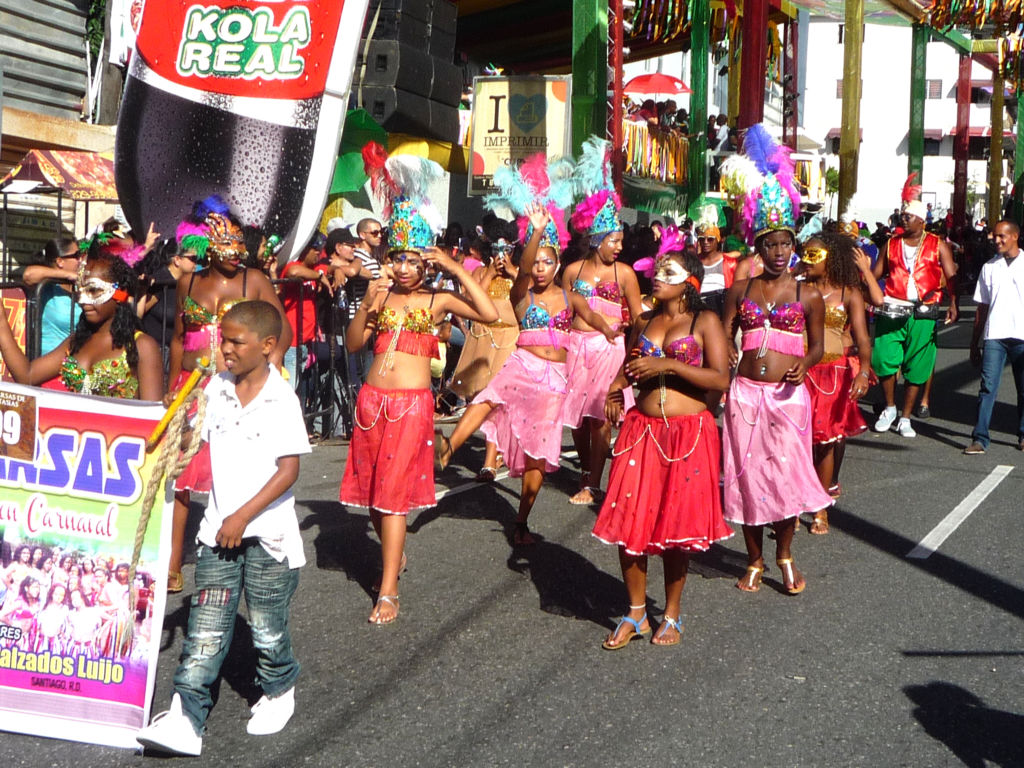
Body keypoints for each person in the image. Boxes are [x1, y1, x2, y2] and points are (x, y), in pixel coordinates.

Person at [136, 300, 311, 755]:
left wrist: (243, 516)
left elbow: (288, 472)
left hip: (267, 536)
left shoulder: (281, 398)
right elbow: (193, 440)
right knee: (207, 626)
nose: (226, 349)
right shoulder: (216, 388)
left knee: (267, 626)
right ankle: (185, 714)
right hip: (217, 532)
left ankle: (278, 688)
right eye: (223, 340)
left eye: (236, 341)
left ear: (267, 346)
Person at [340, 145, 498, 625]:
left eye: (413, 260)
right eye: (398, 259)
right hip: (370, 403)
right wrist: (369, 297)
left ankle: (388, 588)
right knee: (372, 496)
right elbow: (352, 346)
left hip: (411, 408)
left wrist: (454, 272)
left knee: (390, 497)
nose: (405, 267)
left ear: (425, 263)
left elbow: (489, 314)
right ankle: (394, 554)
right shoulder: (380, 293)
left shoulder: (437, 301)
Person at [437, 203, 615, 545]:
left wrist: (608, 331)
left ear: (558, 264)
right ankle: (449, 448)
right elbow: (521, 271)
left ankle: (521, 521)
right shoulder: (522, 295)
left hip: (553, 380)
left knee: (537, 454)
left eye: (547, 262)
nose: (540, 268)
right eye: (535, 263)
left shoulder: (571, 297)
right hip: (522, 365)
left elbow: (592, 318)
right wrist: (534, 231)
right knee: (489, 397)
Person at [593, 247, 732, 650]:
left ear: (689, 282)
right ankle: (635, 612)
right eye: (657, 269)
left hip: (689, 434)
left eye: (668, 271)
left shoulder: (704, 320)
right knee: (630, 522)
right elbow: (630, 367)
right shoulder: (644, 321)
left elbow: (720, 379)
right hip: (642, 431)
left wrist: (668, 366)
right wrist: (616, 391)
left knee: (676, 528)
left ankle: (671, 613)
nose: (657, 276)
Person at [719, 124, 833, 595]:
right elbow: (722, 337)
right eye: (772, 244)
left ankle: (784, 556)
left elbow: (819, 345)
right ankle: (754, 558)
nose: (781, 252)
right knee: (745, 476)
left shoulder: (808, 294)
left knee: (784, 477)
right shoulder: (739, 290)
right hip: (744, 395)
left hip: (788, 398)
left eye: (787, 243)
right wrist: (726, 358)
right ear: (758, 245)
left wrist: (805, 364)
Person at [165, 198, 292, 595]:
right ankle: (172, 563)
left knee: (226, 466)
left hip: (230, 383)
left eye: (240, 249)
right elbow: (176, 338)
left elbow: (280, 326)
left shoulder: (252, 280)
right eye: (226, 249)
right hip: (189, 381)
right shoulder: (189, 281)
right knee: (180, 474)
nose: (235, 256)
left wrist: (272, 363)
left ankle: (233, 538)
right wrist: (171, 391)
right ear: (209, 249)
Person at [562, 137, 643, 505]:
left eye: (621, 240)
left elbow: (638, 317)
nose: (620, 246)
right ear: (597, 240)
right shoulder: (571, 271)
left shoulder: (625, 273)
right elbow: (561, 311)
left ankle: (593, 482)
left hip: (609, 350)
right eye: (614, 240)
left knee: (601, 417)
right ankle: (586, 468)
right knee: (577, 419)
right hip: (575, 349)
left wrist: (636, 354)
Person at [0, 249, 163, 400]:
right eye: (80, 291)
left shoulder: (142, 346)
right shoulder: (76, 341)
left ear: (119, 294)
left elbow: (152, 416)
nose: (83, 301)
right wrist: (1, 322)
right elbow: (27, 375)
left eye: (93, 291)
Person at [797, 233, 872, 531]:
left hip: (833, 374)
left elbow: (863, 338)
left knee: (826, 442)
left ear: (831, 258)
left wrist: (864, 371)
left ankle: (820, 507)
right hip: (798, 372)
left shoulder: (849, 292)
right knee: (798, 442)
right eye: (805, 253)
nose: (806, 259)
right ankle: (793, 499)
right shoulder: (796, 289)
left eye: (814, 255)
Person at [871, 188, 958, 438]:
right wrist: (864, 287)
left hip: (924, 312)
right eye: (902, 215)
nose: (903, 219)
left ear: (921, 221)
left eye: (909, 216)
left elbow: (951, 276)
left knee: (918, 366)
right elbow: (876, 274)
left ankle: (905, 417)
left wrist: (953, 302)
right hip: (892, 309)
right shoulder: (890, 244)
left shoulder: (937, 244)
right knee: (883, 359)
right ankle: (889, 408)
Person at [964, 220, 1024, 454]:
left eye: (1001, 236)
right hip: (995, 336)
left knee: (1023, 388)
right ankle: (980, 438)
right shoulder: (989, 267)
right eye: (994, 236)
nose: (996, 240)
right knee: (987, 387)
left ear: (1015, 236)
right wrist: (974, 342)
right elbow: (982, 308)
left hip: (1021, 336)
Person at [22, 237, 83, 355]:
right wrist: (67, 275)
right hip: (46, 364)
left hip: (74, 364)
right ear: (60, 261)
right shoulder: (48, 287)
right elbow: (28, 275)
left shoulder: (79, 288)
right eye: (76, 256)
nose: (81, 259)